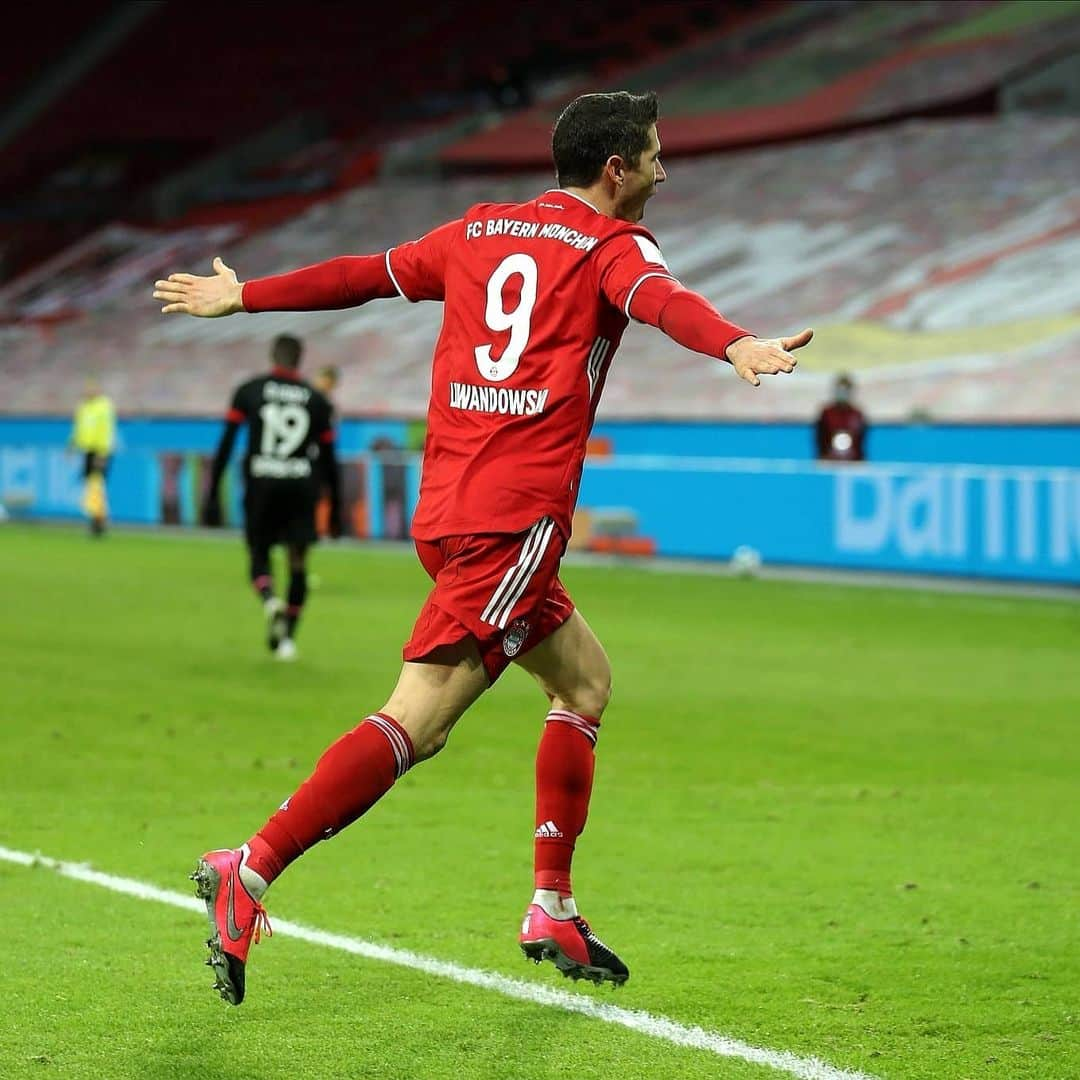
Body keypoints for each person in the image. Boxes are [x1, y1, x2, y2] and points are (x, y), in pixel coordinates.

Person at [154, 90, 812, 1006]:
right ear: (615, 169)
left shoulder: (480, 228)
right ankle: (251, 870)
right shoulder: (613, 247)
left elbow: (362, 274)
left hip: (449, 508)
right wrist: (735, 343)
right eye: (656, 158)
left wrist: (245, 295)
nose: (665, 173)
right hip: (516, 522)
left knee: (584, 684)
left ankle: (551, 905)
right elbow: (662, 303)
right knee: (419, 720)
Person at [202, 334, 342, 661]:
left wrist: (211, 494)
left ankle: (269, 599)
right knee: (298, 563)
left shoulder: (249, 390)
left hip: (261, 483)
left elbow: (225, 444)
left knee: (259, 552)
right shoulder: (316, 400)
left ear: (272, 356)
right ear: (300, 359)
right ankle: (288, 640)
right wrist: (335, 508)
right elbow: (330, 460)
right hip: (300, 485)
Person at [69, 377, 115, 536]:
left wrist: (102, 453)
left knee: (96, 486)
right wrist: (72, 444)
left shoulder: (104, 406)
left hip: (99, 451)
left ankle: (99, 520)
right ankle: (95, 519)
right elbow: (79, 428)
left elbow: (106, 431)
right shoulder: (83, 407)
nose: (88, 391)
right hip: (87, 451)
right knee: (91, 487)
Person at [815, 373, 867, 461]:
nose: (842, 393)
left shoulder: (857, 414)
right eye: (840, 390)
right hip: (829, 460)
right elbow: (820, 438)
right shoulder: (826, 413)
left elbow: (861, 441)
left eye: (845, 390)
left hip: (853, 461)